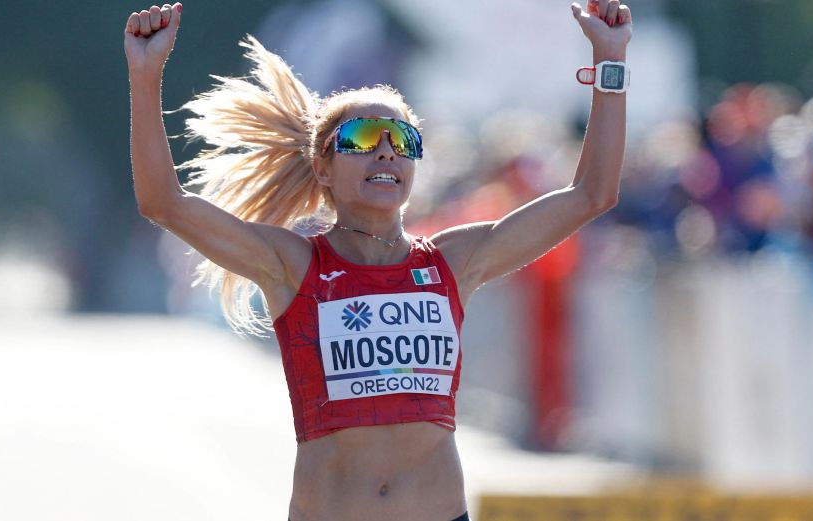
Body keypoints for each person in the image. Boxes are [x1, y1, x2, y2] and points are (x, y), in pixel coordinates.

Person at [123, 1, 631, 519]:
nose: (385, 150)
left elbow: (592, 194)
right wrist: (145, 76)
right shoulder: (295, 265)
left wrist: (610, 62)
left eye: (402, 140)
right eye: (363, 138)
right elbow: (164, 204)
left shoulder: (454, 262)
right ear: (323, 167)